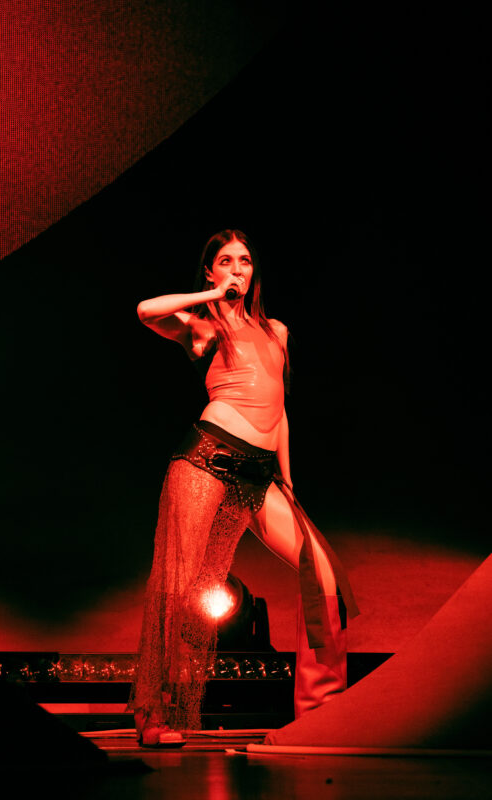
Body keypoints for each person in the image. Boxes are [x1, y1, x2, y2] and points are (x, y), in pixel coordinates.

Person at [128, 229, 359, 747]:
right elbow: (145, 310)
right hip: (207, 461)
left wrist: (289, 480)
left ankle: (321, 712)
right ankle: (154, 714)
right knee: (180, 585)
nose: (238, 269)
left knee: (322, 574)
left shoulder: (276, 330)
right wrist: (214, 296)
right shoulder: (201, 326)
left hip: (261, 473)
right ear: (210, 270)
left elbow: (280, 411)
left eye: (246, 261)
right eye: (226, 261)